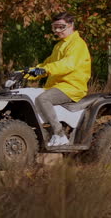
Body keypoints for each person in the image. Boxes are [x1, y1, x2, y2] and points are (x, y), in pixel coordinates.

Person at [28, 12, 91, 147]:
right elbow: (47, 64)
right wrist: (28, 72)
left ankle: (59, 134)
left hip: (71, 87)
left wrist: (45, 69)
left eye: (61, 27)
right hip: (58, 86)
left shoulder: (77, 44)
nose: (57, 31)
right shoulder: (59, 45)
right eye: (54, 27)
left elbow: (68, 64)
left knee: (42, 99)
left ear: (71, 25)